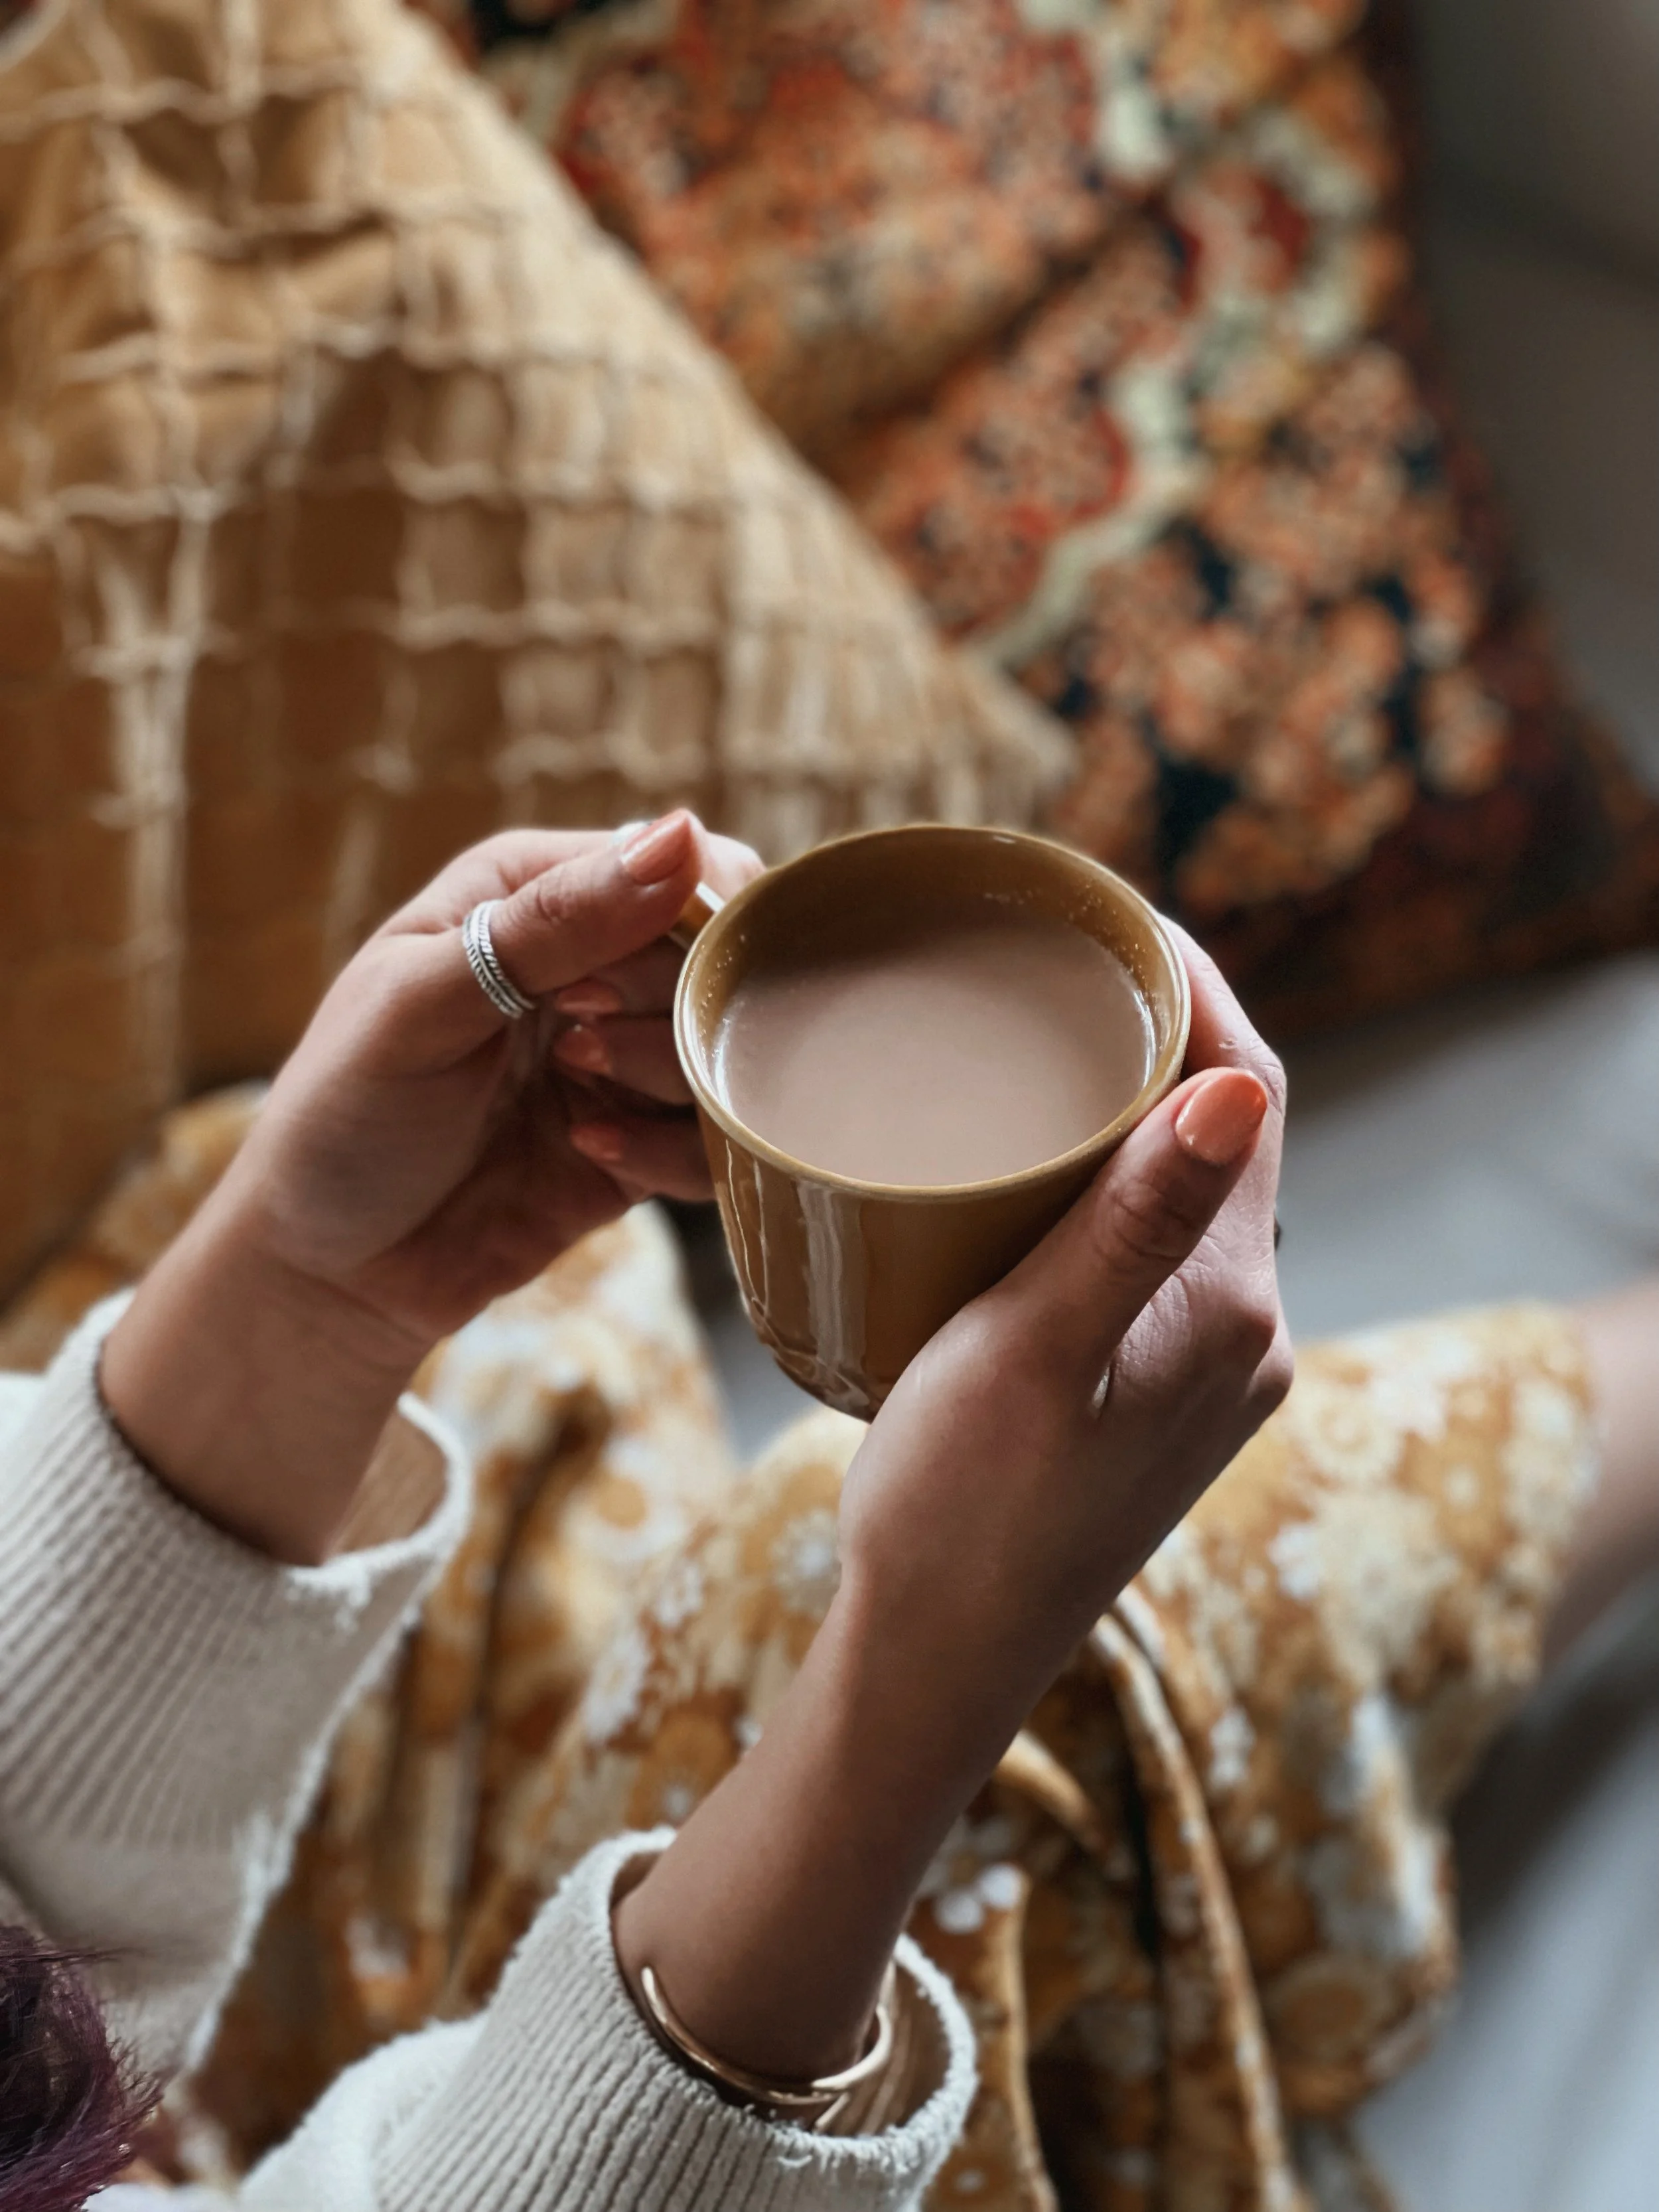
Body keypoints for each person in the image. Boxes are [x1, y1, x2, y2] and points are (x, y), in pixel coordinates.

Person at [0, 812, 1654, 2211]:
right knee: (867, 1581)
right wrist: (924, 1678)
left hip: (72, 2024)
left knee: (357, 1231)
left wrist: (314, 1294)